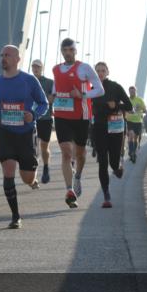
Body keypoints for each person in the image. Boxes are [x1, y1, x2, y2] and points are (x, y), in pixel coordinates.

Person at [0, 45, 48, 229]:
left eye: (7, 55)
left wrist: (33, 115)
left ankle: (33, 179)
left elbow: (43, 103)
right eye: (1, 55)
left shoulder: (29, 81)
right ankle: (15, 216)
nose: (3, 58)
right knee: (8, 172)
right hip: (6, 133)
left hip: (25, 134)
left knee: (26, 178)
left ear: (17, 59)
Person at [51, 38, 104, 208]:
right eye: (64, 50)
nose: (67, 53)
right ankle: (69, 189)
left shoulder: (84, 68)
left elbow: (99, 90)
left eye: (70, 50)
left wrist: (83, 95)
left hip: (81, 116)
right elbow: (56, 88)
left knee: (80, 154)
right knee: (66, 153)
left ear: (75, 51)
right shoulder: (56, 69)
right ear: (61, 51)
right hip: (61, 116)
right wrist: (52, 96)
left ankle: (78, 176)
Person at [90, 63, 133, 208]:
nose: (100, 73)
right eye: (97, 71)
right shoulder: (92, 90)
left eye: (103, 71)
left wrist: (116, 106)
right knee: (102, 161)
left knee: (113, 162)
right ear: (94, 74)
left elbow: (129, 106)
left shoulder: (115, 87)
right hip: (99, 128)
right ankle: (106, 195)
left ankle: (116, 167)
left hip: (115, 128)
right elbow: (89, 109)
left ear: (107, 72)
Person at [30, 59, 55, 184]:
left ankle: (46, 167)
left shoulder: (50, 82)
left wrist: (53, 98)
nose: (36, 69)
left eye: (38, 67)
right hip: (31, 119)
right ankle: (34, 174)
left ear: (42, 69)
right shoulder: (27, 81)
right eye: (34, 67)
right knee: (33, 147)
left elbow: (56, 95)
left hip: (45, 119)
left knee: (44, 147)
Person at [126, 85, 147, 163]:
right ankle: (131, 151)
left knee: (136, 138)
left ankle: (133, 152)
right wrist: (127, 111)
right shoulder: (127, 100)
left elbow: (145, 110)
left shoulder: (140, 100)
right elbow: (124, 109)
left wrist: (141, 109)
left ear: (136, 92)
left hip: (138, 121)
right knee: (131, 135)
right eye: (130, 91)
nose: (132, 92)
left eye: (133, 91)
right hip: (130, 121)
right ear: (129, 92)